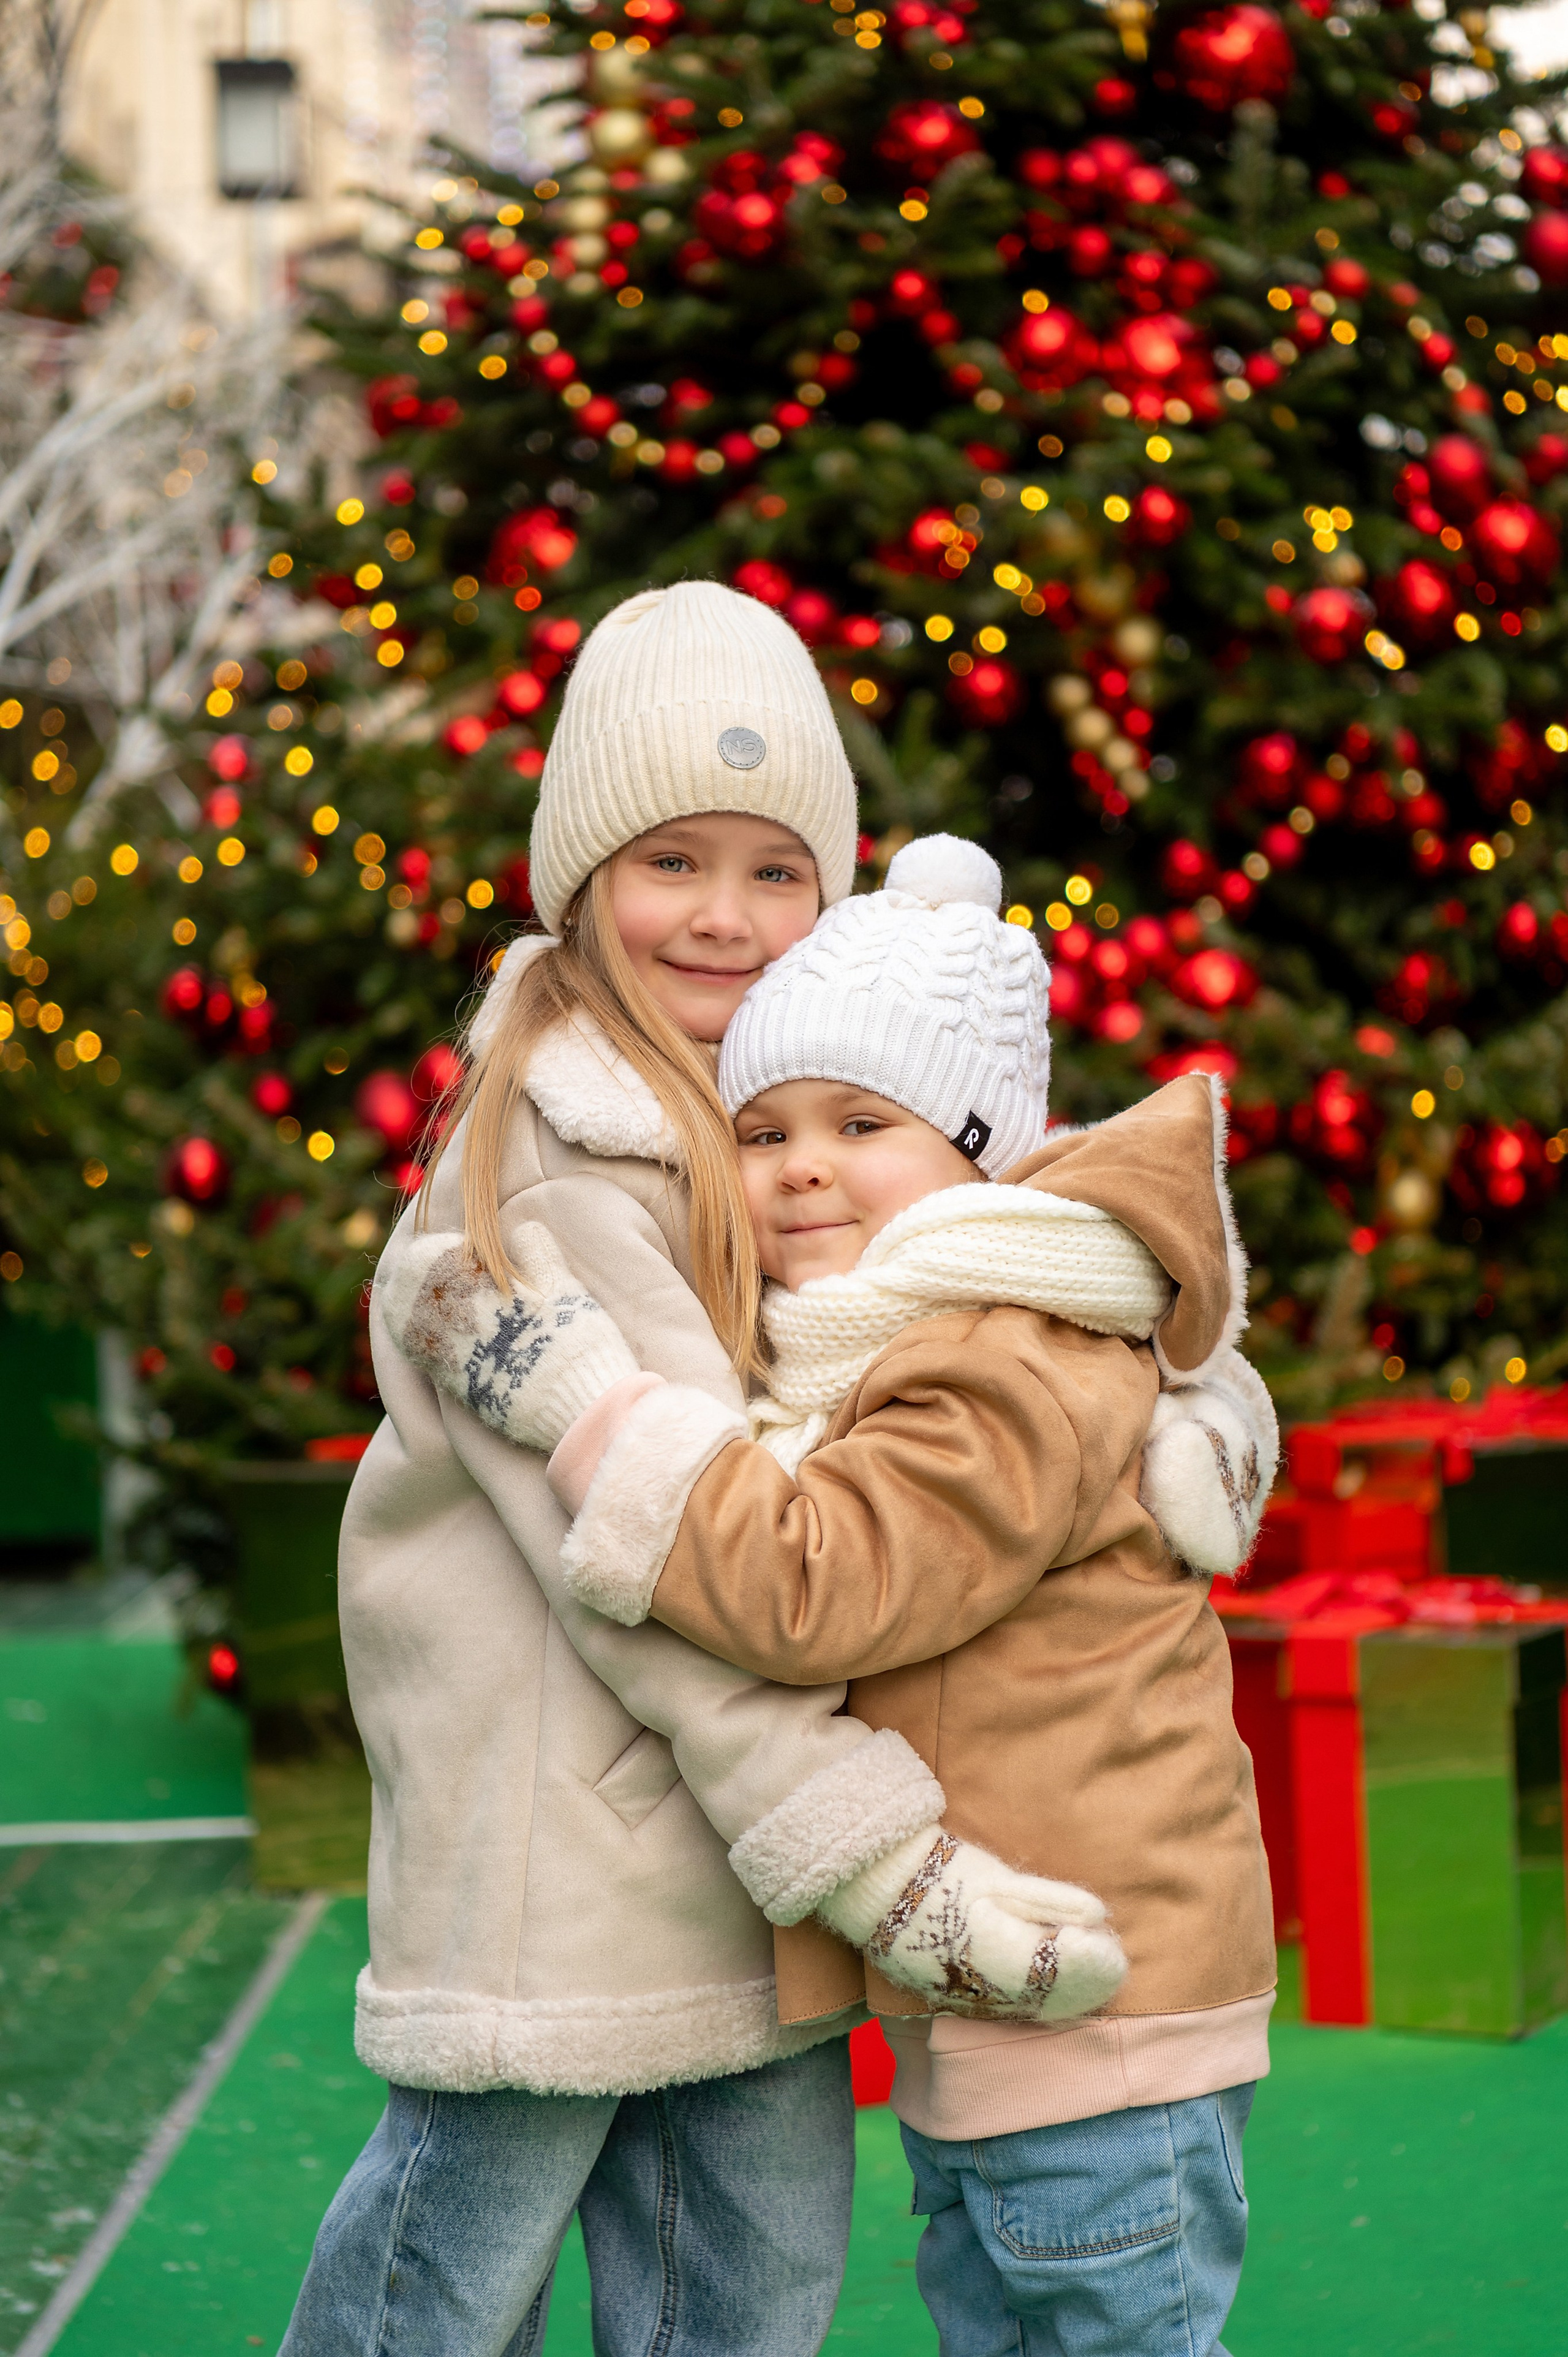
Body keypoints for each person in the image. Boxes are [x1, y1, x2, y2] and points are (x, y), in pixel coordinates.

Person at [286, 600, 1118, 2357]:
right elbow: (668, 1555)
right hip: (571, 1862)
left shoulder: (774, 1126)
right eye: (673, 859)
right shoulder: (549, 1183)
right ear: (583, 878)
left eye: (775, 869)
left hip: (736, 1861)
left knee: (743, 2284)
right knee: (444, 2284)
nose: (725, 916)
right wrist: (870, 1846)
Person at [427, 834, 1281, 2357]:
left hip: (1100, 2026)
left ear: (978, 1145)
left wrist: (590, 1411)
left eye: (859, 1120)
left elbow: (819, 1582)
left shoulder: (996, 1354)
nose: (798, 1162)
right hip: (1020, 2020)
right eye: (758, 1129)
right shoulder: (922, 1331)